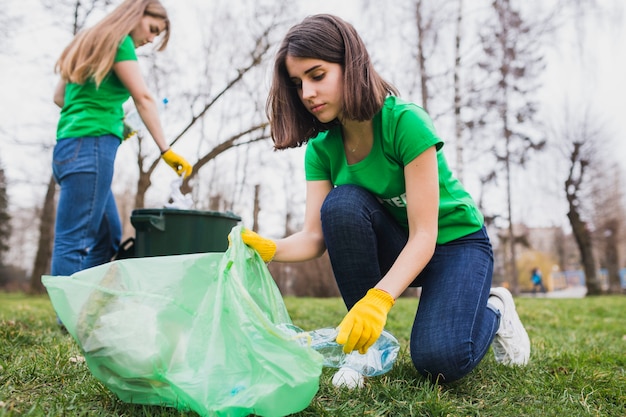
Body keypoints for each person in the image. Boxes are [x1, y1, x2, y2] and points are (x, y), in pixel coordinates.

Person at [241, 14, 530, 385]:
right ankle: (368, 347)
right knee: (341, 205)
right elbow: (315, 238)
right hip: (400, 244)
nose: (307, 93)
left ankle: (495, 307)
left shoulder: (405, 123)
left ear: (351, 64)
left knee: (441, 361)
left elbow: (425, 236)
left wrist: (379, 299)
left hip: (456, 245)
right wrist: (267, 248)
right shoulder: (321, 149)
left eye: (317, 75)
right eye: (298, 84)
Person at [51, 0, 191, 282]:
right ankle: (68, 320)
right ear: (136, 14)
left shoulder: (86, 40)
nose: (150, 39)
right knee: (74, 240)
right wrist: (165, 150)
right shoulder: (120, 41)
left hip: (70, 147)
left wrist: (113, 120)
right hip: (92, 146)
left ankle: (87, 304)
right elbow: (143, 98)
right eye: (152, 29)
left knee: (108, 236)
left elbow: (59, 98)